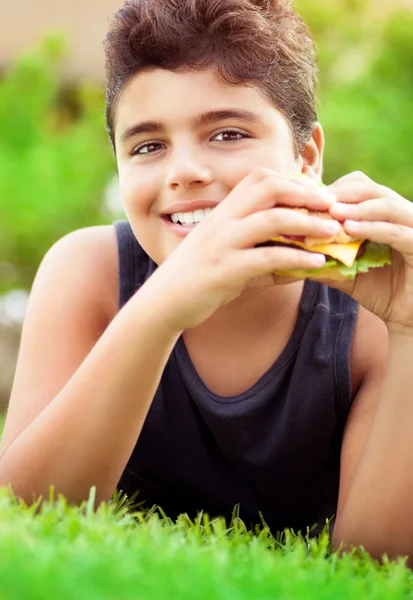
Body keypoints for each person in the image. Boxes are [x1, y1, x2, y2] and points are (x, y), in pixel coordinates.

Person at [1, 0, 412, 565]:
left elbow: (377, 565)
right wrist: (163, 306)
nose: (185, 170)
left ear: (307, 156)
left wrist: (412, 329)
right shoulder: (88, 271)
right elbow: (24, 512)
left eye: (227, 134)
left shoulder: (368, 310)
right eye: (147, 146)